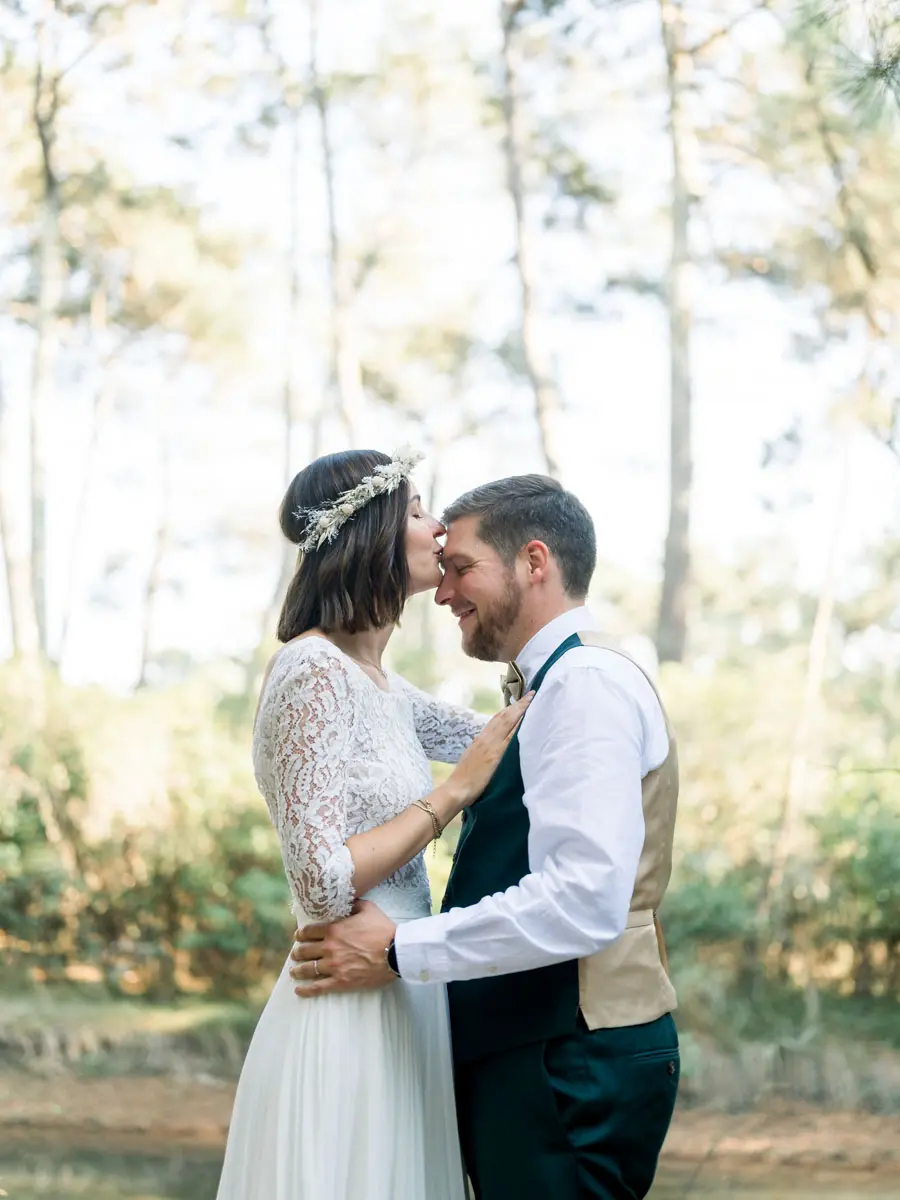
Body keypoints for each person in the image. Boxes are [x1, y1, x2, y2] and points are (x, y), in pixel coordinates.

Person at [291, 473, 680, 1200]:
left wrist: (400, 949)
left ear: (535, 563)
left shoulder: (585, 686)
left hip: (569, 1063)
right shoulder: (547, 690)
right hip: (536, 1054)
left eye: (461, 568)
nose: (443, 592)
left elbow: (582, 900)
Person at [215, 449, 531, 1200]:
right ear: (374, 533)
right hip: (345, 1005)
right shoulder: (311, 673)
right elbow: (321, 883)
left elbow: (499, 739)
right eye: (420, 510)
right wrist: (448, 798)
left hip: (402, 989)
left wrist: (567, 670)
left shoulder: (382, 685)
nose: (438, 527)